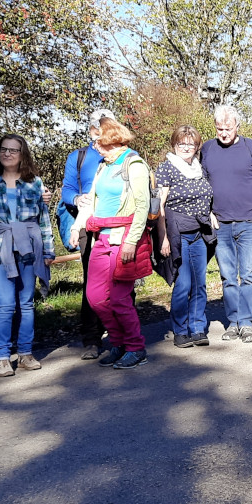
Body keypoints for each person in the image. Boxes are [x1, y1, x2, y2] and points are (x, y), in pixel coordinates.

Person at [70, 115, 151, 370]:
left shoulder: (134, 164)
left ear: (110, 140)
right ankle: (117, 343)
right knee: (95, 298)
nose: (94, 145)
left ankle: (135, 347)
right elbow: (91, 201)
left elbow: (142, 207)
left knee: (119, 298)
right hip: (100, 239)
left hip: (123, 239)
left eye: (97, 141)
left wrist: (131, 242)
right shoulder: (102, 166)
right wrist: (76, 225)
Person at [0, 134, 55, 378]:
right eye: (3, 149)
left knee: (26, 304)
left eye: (13, 150)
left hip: (28, 248)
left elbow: (43, 218)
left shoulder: (34, 183)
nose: (8, 154)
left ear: (22, 154)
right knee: (4, 304)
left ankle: (25, 353)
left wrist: (48, 250)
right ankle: (2, 357)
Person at [200, 105, 252, 343]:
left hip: (250, 221)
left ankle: (247, 323)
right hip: (220, 224)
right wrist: (207, 211)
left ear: (237, 126)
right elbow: (202, 183)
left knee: (249, 275)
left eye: (228, 128)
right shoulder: (208, 149)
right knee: (228, 276)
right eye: (219, 129)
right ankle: (233, 321)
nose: (223, 133)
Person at [156, 125, 216, 349]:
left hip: (200, 233)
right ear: (174, 145)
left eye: (191, 144)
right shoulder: (166, 169)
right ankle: (180, 330)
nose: (187, 148)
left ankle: (198, 327)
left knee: (200, 283)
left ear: (197, 146)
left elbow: (205, 197)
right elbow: (159, 207)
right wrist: (163, 238)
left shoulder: (199, 168)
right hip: (177, 233)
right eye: (182, 143)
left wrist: (210, 215)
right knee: (183, 284)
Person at [59, 109, 110, 359]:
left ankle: (122, 335)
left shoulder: (124, 156)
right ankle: (91, 339)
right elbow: (67, 190)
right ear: (91, 131)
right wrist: (78, 199)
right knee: (93, 282)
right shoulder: (77, 157)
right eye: (100, 128)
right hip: (87, 226)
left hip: (117, 226)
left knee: (122, 281)